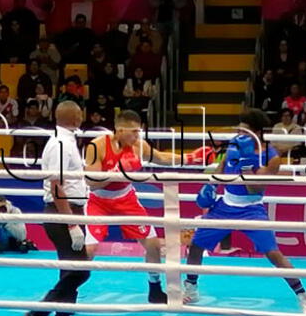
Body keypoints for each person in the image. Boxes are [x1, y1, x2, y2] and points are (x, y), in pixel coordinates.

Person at [183, 109, 306, 314]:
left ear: (256, 133)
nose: (239, 133)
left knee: (274, 254)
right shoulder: (234, 145)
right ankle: (191, 289)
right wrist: (211, 185)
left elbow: (256, 188)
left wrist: (247, 165)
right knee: (196, 245)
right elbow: (221, 168)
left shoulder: (271, 157)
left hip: (251, 208)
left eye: (244, 131)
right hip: (224, 206)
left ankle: (303, 296)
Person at [84, 110, 215, 303]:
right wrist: (117, 171)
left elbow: (161, 157)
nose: (137, 136)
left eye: (139, 132)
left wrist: (189, 158)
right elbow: (90, 182)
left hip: (126, 199)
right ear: (119, 129)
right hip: (99, 201)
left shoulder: (138, 146)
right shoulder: (98, 145)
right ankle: (68, 290)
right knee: (90, 250)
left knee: (153, 246)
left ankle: (155, 290)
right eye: (133, 132)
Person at [25, 101, 89, 316]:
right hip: (63, 212)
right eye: (80, 113)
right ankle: (38, 313)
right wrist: (71, 223)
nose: (82, 117)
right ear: (75, 118)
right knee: (79, 271)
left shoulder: (68, 141)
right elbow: (56, 186)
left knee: (70, 269)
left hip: (71, 210)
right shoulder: (60, 144)